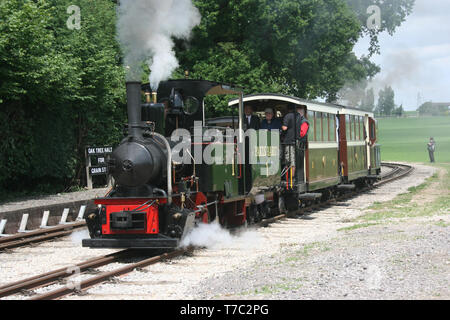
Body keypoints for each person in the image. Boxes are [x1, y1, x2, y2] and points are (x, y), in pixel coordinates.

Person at [281, 104, 309, 185]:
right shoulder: (299, 117)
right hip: (296, 142)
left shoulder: (288, 116)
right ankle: (291, 178)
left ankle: (290, 179)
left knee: (289, 161)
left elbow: (284, 128)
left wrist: (281, 128)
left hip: (289, 141)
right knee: (292, 160)